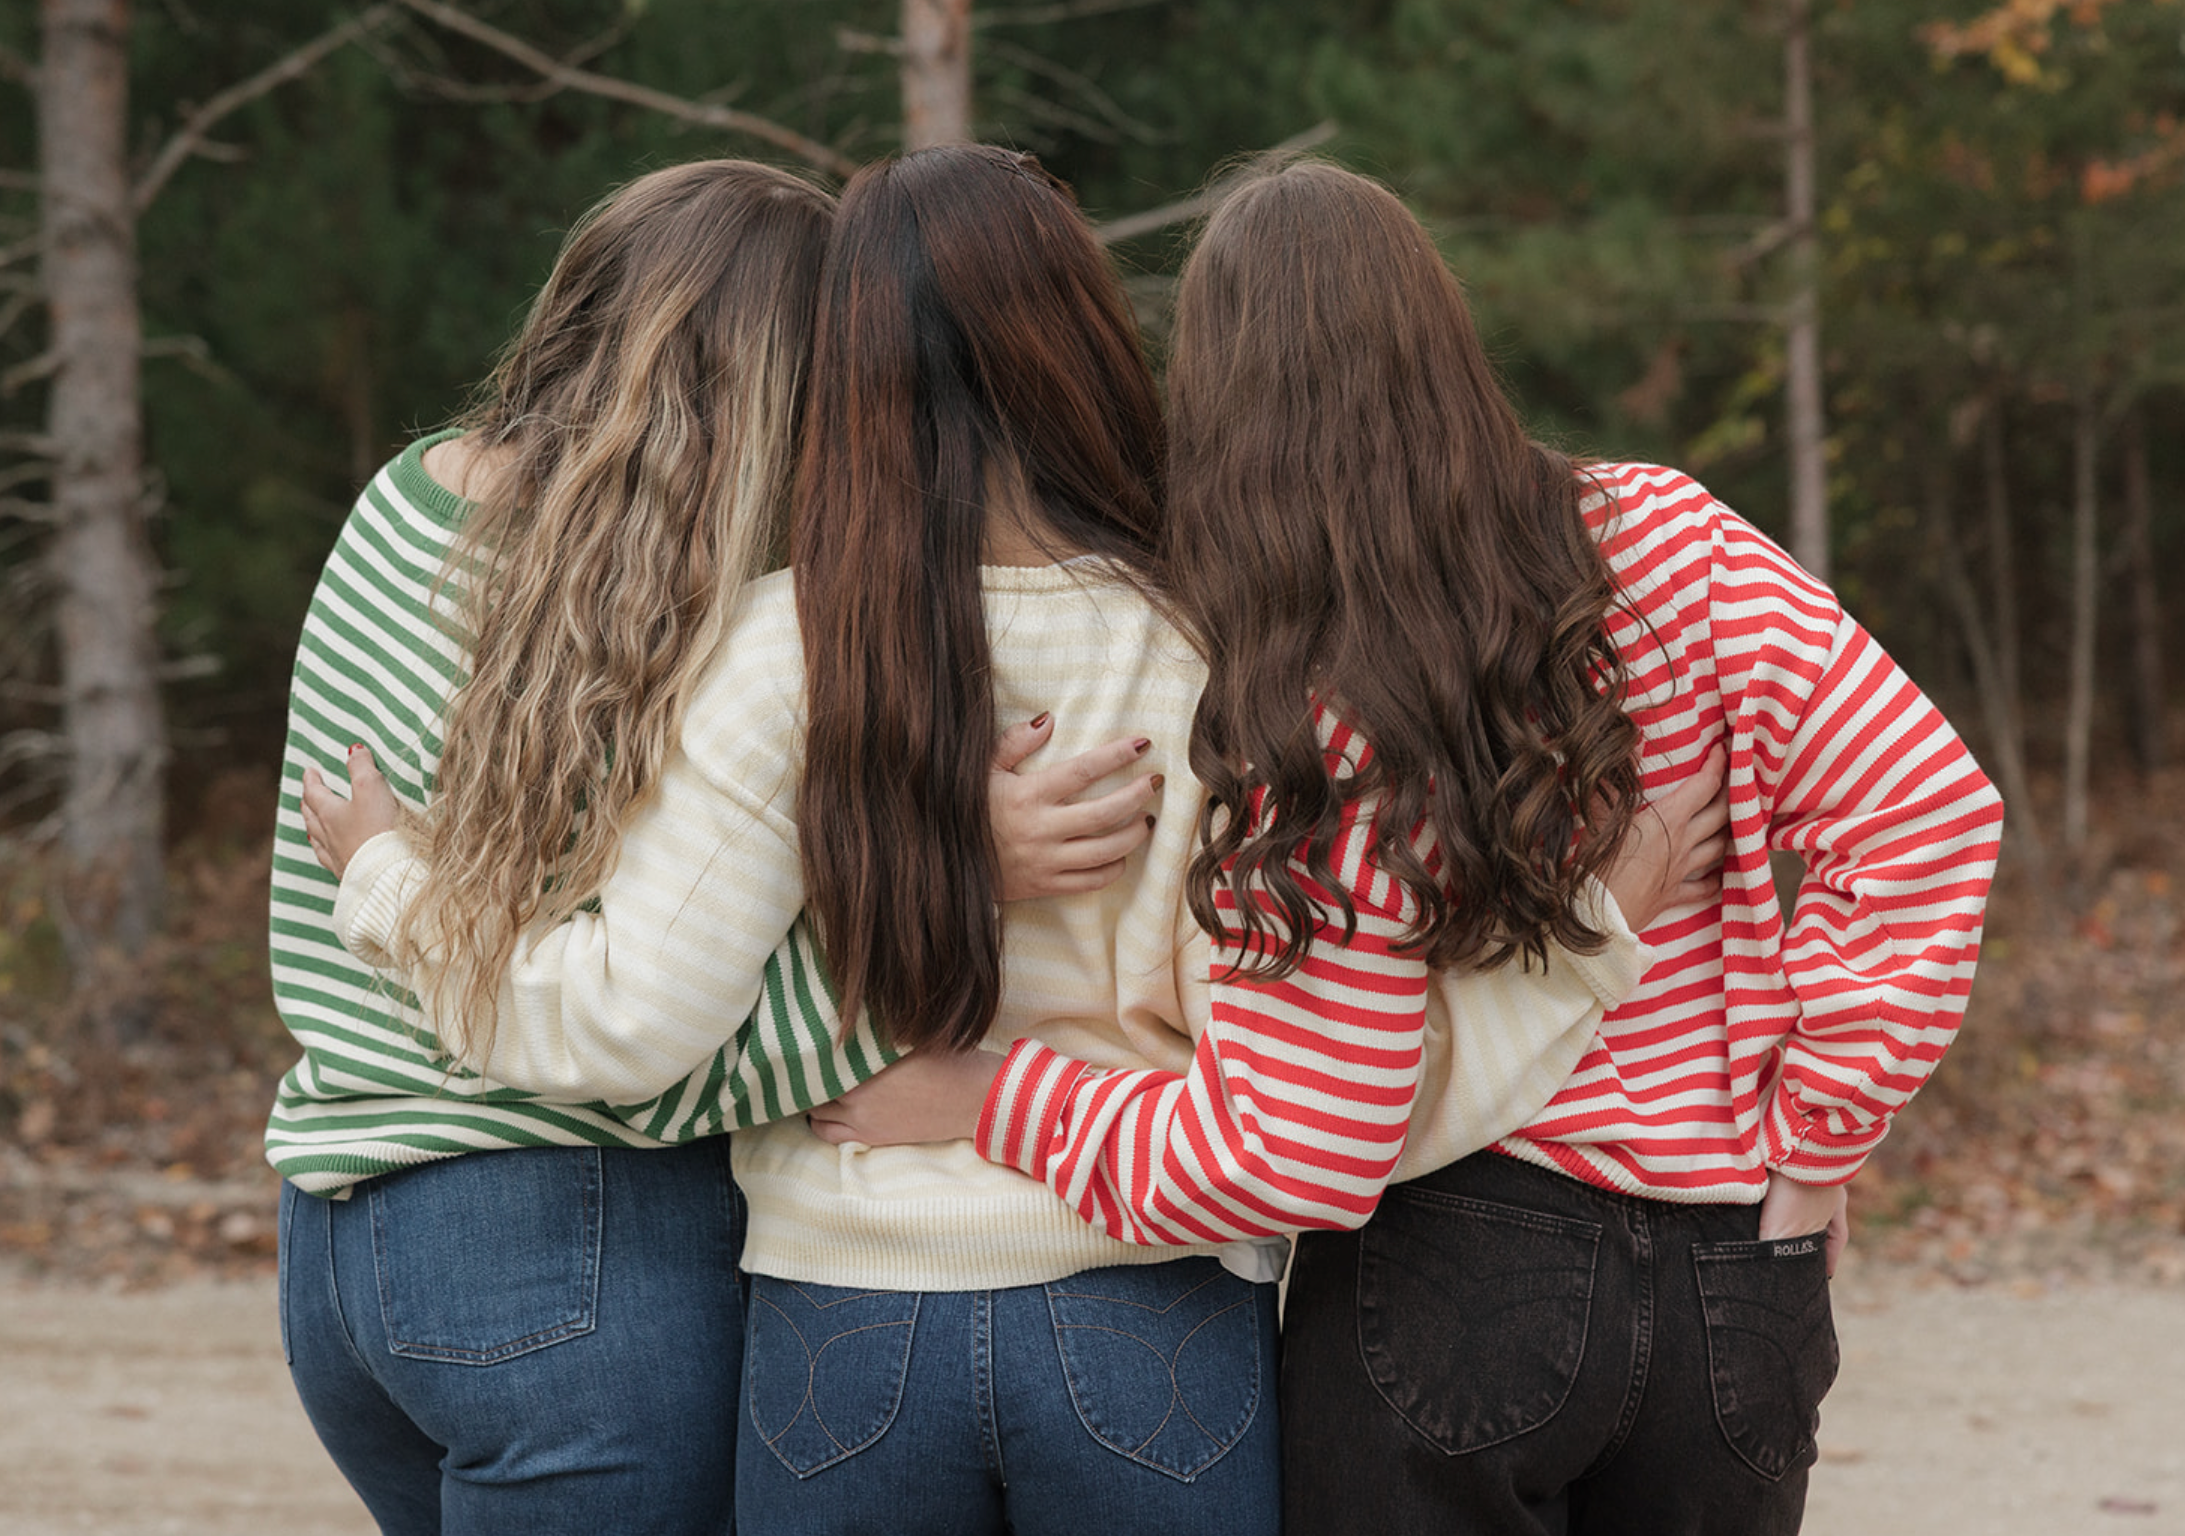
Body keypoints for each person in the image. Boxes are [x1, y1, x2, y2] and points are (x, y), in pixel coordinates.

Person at [309, 145, 1716, 1535]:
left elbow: (625, 1017)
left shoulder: (780, 652)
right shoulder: (1229, 657)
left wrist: (385, 883)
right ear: (1090, 344)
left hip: (846, 1325)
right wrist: (1584, 958)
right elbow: (1343, 1116)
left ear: (839, 379)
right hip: (1152, 1322)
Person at [817, 160, 2004, 1536]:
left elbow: (1293, 1152)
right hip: (1731, 1274)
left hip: (1455, 1280)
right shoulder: (1675, 542)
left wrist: (995, 1098)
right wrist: (1814, 1143)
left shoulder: (1305, 686)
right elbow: (1925, 810)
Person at [268, 159, 1134, 1536]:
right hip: (568, 1247)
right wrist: (944, 888)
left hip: (338, 1247)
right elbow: (646, 1038)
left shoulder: (402, 503)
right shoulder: (687, 623)